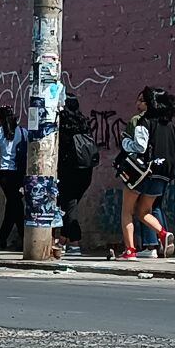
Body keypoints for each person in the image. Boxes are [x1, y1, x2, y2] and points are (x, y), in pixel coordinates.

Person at [114, 87, 175, 261]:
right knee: (144, 210)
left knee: (127, 211)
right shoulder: (172, 127)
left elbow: (140, 147)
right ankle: (163, 233)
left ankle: (130, 251)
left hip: (141, 173)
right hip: (163, 174)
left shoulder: (145, 122)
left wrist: (126, 142)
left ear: (150, 103)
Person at [57, 95, 98, 255]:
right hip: (86, 171)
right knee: (70, 205)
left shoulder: (63, 125)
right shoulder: (83, 122)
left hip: (69, 170)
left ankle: (74, 243)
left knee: (68, 206)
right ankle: (63, 239)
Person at [0, 105, 27, 250]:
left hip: (5, 174)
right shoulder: (23, 132)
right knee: (14, 204)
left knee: (14, 205)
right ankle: (4, 237)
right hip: (19, 174)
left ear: (0, 119)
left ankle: (15, 236)